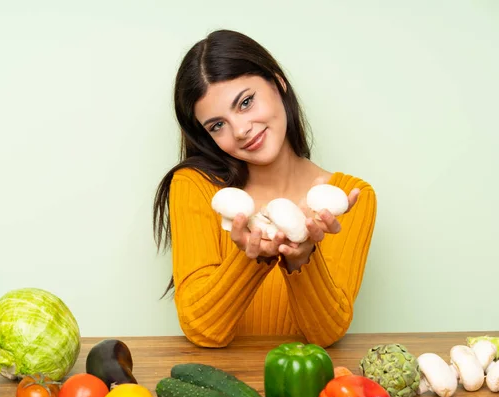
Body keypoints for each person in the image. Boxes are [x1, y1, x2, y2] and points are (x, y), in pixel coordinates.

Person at [152, 29, 377, 349]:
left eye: (245, 102)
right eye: (218, 125)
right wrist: (250, 258)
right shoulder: (197, 188)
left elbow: (326, 334)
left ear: (277, 83)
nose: (241, 131)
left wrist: (302, 259)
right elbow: (202, 330)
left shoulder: (348, 197)